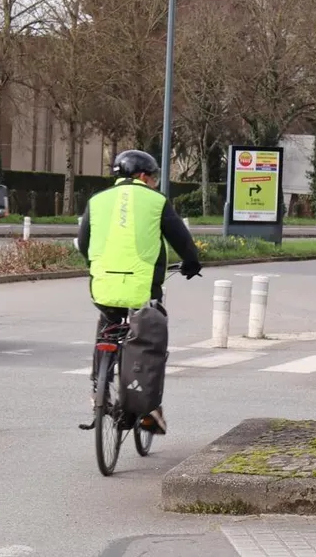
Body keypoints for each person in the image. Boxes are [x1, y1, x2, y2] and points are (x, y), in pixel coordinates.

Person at [76, 149, 202, 435]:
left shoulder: (96, 201)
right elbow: (181, 239)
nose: (155, 183)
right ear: (143, 176)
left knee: (107, 325)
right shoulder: (156, 201)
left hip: (103, 285)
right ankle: (148, 407)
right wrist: (192, 263)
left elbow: (84, 243)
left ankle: (98, 388)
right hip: (143, 289)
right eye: (154, 178)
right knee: (149, 335)